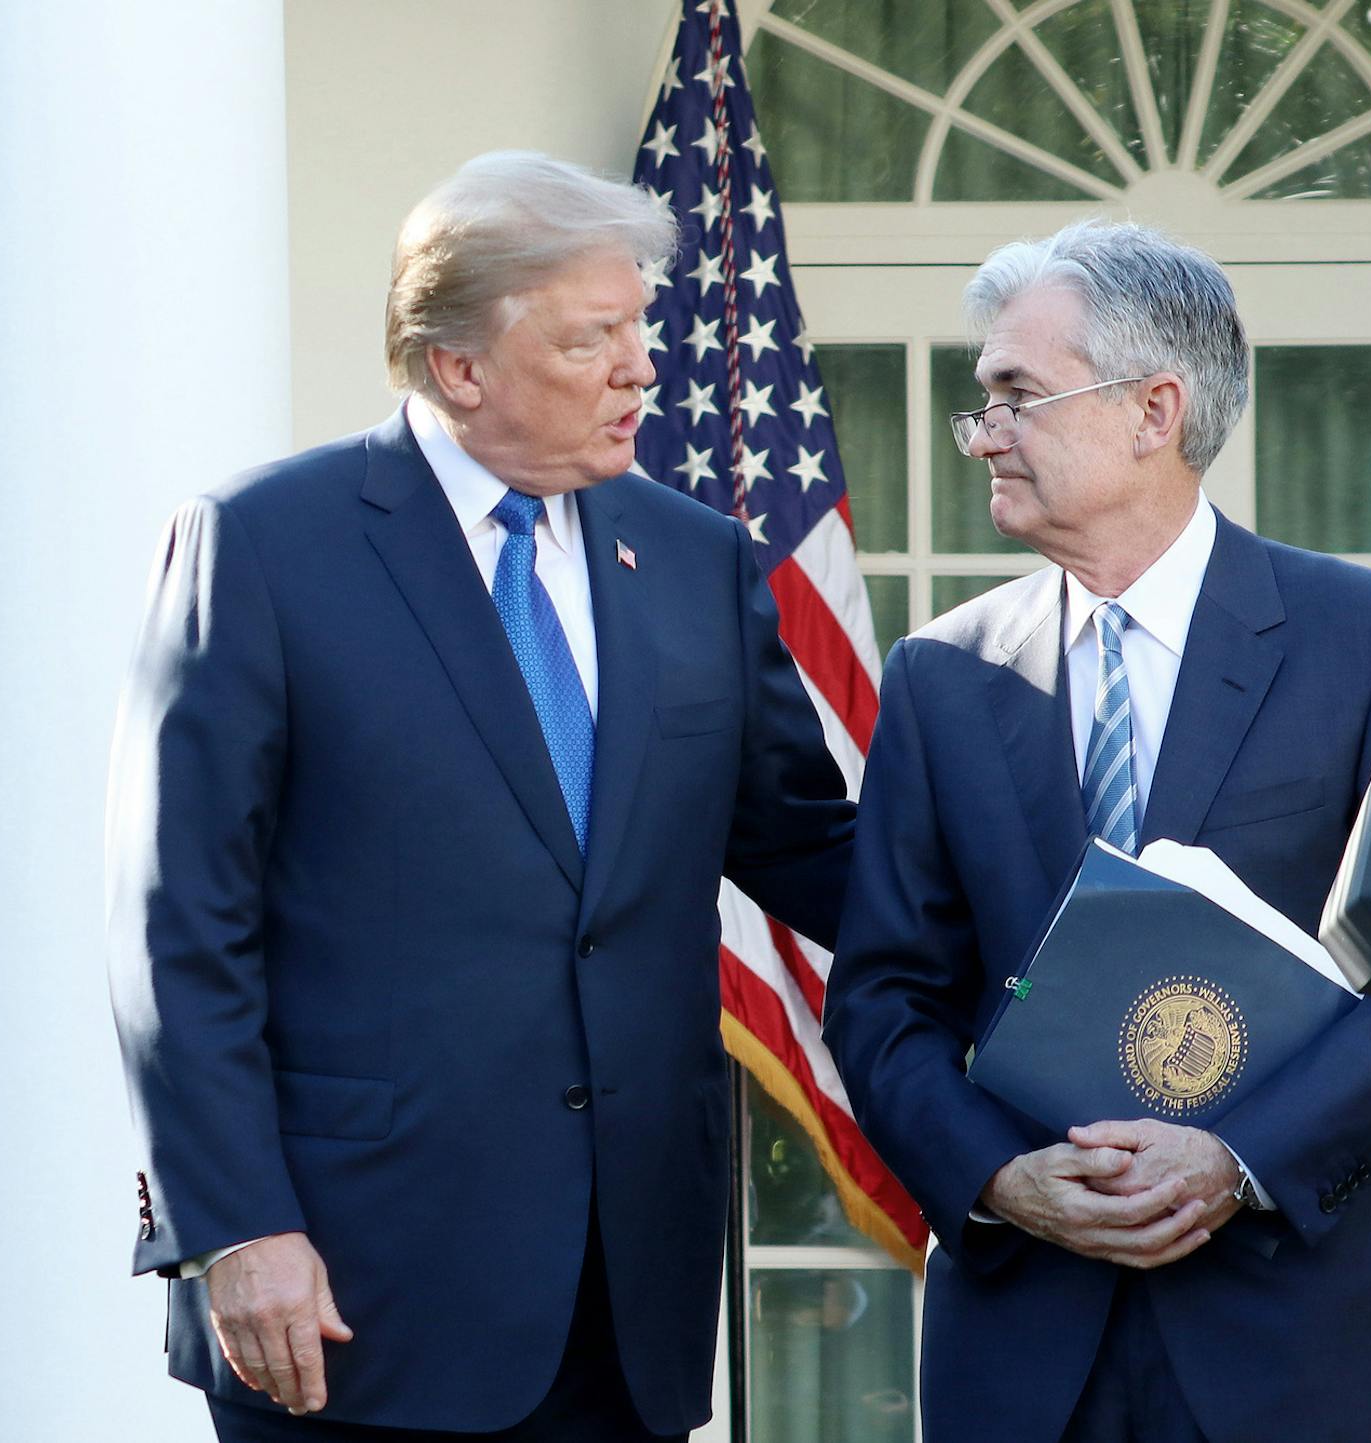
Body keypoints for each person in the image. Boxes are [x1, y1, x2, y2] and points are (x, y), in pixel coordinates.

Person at [106, 151, 855, 1442]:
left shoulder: (694, 558)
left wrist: (1052, 911)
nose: (641, 367)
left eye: (640, 327)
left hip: (628, 1304)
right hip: (349, 1297)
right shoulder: (266, 548)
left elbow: (811, 848)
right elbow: (177, 926)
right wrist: (233, 1225)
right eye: (594, 337)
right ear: (461, 365)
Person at [821, 220, 1371, 1443]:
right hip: (1025, 1345)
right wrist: (998, 1179)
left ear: (1155, 410)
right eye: (980, 402)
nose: (982, 432)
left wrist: (1236, 1160)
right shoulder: (942, 674)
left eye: (1015, 396)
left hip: (1288, 1336)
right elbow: (883, 1000)